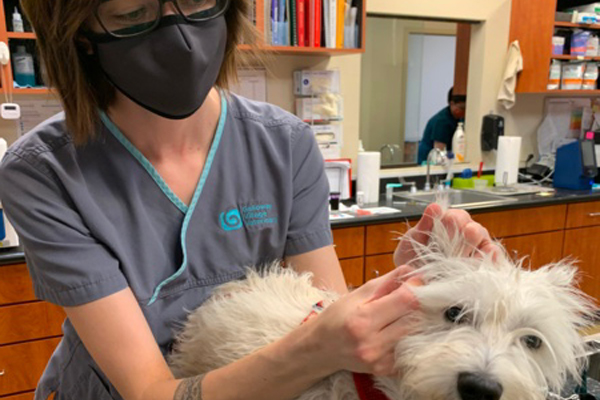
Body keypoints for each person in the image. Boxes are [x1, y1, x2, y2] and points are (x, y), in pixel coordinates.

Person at [0, 1, 497, 400]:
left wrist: (406, 294)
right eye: (133, 14)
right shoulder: (44, 173)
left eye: (197, 2)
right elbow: (151, 392)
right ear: (81, 35)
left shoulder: (283, 143)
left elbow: (320, 321)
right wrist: (318, 348)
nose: (180, 36)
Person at [417, 87, 467, 165]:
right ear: (451, 103)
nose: (464, 112)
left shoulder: (459, 118)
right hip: (429, 162)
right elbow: (439, 153)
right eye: (461, 108)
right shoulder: (441, 122)